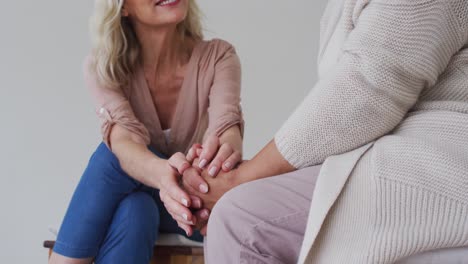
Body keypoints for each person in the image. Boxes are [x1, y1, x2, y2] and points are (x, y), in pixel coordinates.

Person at [182, 0, 468, 263]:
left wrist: (239, 179)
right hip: (390, 155)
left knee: (240, 219)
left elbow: (367, 90)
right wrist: (205, 177)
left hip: (440, 161)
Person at [49, 0, 244, 263]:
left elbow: (226, 128)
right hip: (156, 196)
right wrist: (166, 175)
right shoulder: (104, 67)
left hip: (198, 206)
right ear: (123, 7)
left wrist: (222, 153)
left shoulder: (218, 56)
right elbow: (123, 141)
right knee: (136, 208)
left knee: (112, 159)